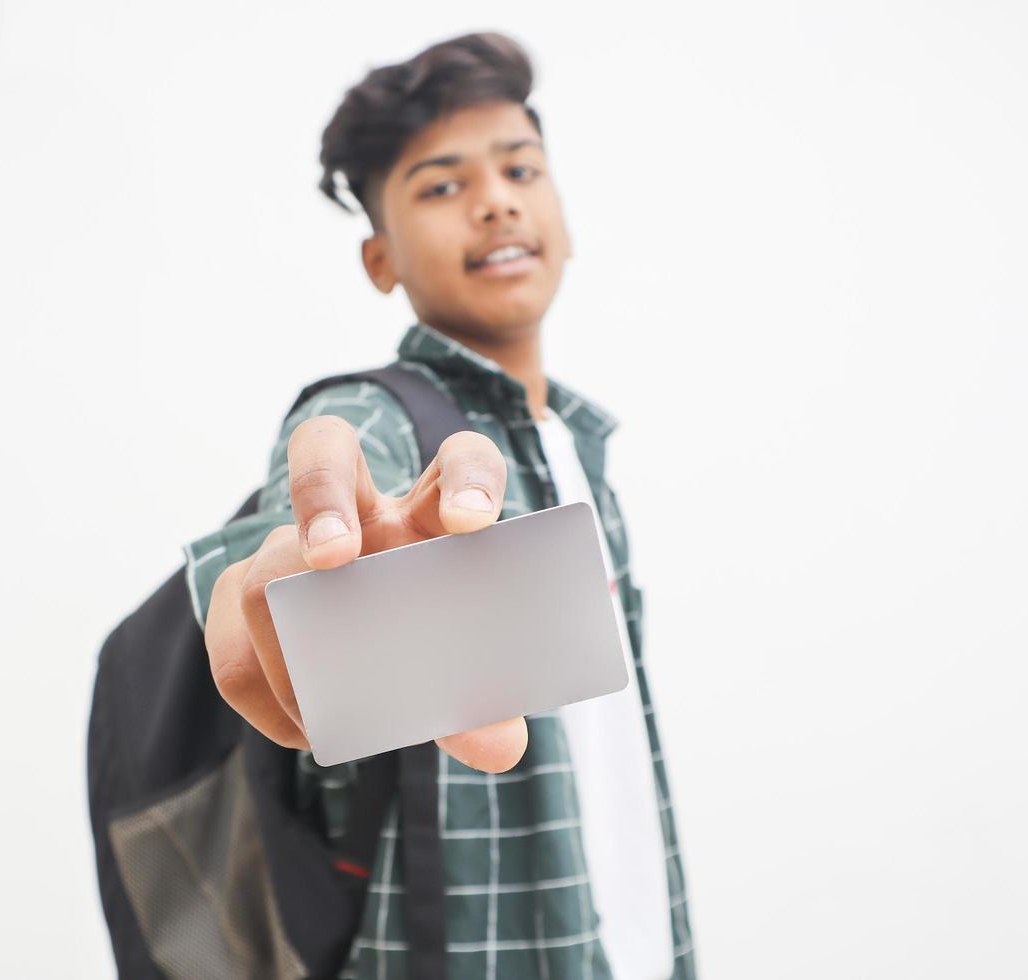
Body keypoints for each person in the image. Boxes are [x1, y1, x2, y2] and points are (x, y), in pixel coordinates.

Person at [182, 31, 696, 979]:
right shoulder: (370, 415)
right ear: (380, 261)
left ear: (564, 218)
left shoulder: (581, 449)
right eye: (441, 185)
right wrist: (270, 590)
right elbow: (278, 541)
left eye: (520, 169)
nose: (496, 197)